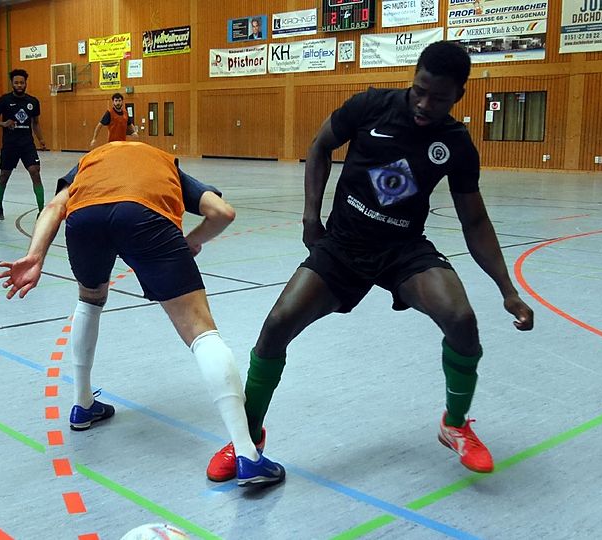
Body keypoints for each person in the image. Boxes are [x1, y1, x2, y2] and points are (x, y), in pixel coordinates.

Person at [205, 41, 535, 482]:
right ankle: (247, 439)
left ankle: (454, 425)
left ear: (459, 95)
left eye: (438, 98)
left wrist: (508, 290)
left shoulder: (455, 143)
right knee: (277, 325)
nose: (424, 104)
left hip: (403, 249)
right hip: (343, 244)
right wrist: (310, 217)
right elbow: (320, 146)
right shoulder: (370, 106)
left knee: (461, 318)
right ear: (413, 78)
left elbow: (474, 221)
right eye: (419, 90)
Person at [0, 141, 285, 487]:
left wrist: (35, 255)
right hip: (144, 217)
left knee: (90, 300)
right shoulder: (164, 163)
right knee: (200, 331)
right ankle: (247, 454)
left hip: (85, 220)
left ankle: (82, 404)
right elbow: (222, 213)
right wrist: (192, 240)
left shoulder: (91, 162)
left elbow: (56, 206)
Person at [0, 68, 47, 221]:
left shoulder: (33, 102)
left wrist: (41, 139)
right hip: (10, 145)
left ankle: (41, 210)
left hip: (27, 144)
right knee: (4, 176)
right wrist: (3, 124)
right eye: (16, 83)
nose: (19, 85)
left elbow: (36, 123)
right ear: (12, 84)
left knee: (35, 171)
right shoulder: (4, 100)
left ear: (26, 83)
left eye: (22, 82)